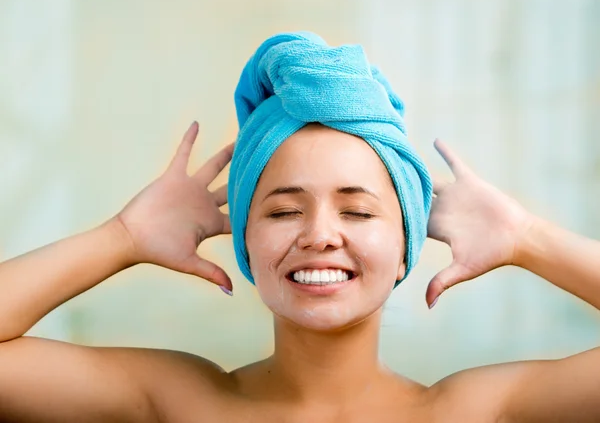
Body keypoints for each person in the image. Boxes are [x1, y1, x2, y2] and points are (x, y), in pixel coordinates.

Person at [1, 33, 599, 423]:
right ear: (244, 243)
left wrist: (527, 239)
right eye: (284, 210)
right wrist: (123, 238)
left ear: (405, 248)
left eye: (359, 211)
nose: (319, 234)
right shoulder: (177, 402)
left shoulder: (475, 411)